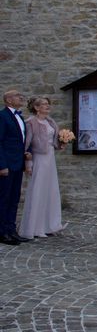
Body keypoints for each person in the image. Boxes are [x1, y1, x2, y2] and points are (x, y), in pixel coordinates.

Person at [19, 97, 66, 239]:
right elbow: (26, 145)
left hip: (50, 158)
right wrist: (28, 164)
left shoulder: (51, 122)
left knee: (50, 189)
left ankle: (49, 224)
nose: (47, 106)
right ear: (36, 107)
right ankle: (35, 227)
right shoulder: (31, 123)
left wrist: (62, 142)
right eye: (44, 104)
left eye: (48, 103)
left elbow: (53, 142)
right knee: (38, 190)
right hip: (38, 159)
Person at [0, 90, 30, 245]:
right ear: (9, 100)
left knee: (14, 198)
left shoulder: (19, 117)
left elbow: (20, 140)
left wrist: (27, 153)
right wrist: (2, 165)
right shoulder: (2, 116)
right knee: (3, 198)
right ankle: (2, 232)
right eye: (18, 96)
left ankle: (11, 229)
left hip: (18, 164)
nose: (21, 97)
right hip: (7, 165)